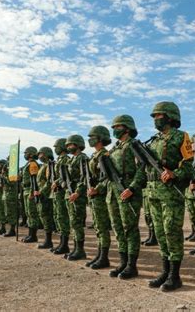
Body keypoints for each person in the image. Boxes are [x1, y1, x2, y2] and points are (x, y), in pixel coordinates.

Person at [145, 101, 195, 292]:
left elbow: (190, 166)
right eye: (154, 116)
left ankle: (175, 275)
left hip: (171, 194)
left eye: (159, 116)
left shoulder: (181, 137)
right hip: (154, 192)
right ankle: (165, 271)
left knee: (172, 232)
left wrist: (175, 174)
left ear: (170, 117)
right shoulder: (154, 140)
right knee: (159, 232)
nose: (156, 119)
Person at [106, 115, 145, 279]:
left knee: (130, 228)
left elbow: (143, 167)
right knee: (118, 227)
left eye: (118, 127)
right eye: (113, 127)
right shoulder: (115, 148)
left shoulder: (134, 145)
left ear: (127, 128)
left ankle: (132, 265)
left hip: (128, 190)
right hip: (114, 191)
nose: (114, 129)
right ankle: (123, 262)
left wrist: (132, 187)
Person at [85, 126, 112, 269]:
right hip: (94, 195)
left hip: (101, 196)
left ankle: (104, 257)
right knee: (98, 227)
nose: (90, 139)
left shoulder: (105, 155)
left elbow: (108, 177)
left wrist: (98, 189)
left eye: (93, 136)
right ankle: (99, 254)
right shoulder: (94, 156)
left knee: (102, 226)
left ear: (100, 138)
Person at [64, 135, 89, 261]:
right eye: (67, 145)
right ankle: (75, 248)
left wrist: (78, 192)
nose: (69, 147)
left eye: (71, 145)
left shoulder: (82, 158)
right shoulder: (71, 160)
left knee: (77, 222)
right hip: (71, 192)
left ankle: (80, 250)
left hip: (78, 195)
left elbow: (84, 177)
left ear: (78, 144)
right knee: (73, 222)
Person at [50, 138, 71, 255]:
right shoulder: (59, 160)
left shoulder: (66, 159)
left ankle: (65, 244)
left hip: (63, 191)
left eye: (56, 147)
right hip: (57, 192)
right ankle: (61, 243)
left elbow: (66, 175)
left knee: (63, 217)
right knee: (59, 217)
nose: (55, 149)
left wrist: (56, 182)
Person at [35, 147, 57, 249]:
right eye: (39, 155)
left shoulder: (50, 165)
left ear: (47, 154)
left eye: (41, 154)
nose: (39, 156)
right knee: (43, 216)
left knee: (47, 217)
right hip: (42, 194)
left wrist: (42, 191)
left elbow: (49, 181)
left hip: (47, 195)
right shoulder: (43, 166)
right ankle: (47, 240)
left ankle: (48, 241)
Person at [21, 146, 40, 243]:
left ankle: (33, 235)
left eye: (26, 153)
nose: (25, 155)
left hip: (30, 190)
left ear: (31, 154)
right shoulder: (27, 164)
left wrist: (33, 191)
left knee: (32, 213)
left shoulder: (32, 164)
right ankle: (30, 234)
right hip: (26, 189)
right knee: (28, 213)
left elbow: (34, 179)